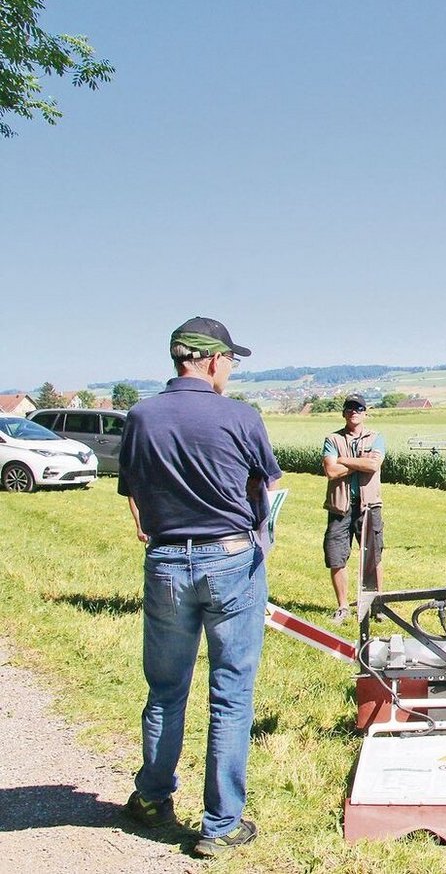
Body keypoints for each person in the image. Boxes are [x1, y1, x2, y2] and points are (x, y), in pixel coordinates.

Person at [116, 316, 281, 858]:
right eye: (231, 360)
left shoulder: (140, 417)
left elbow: (134, 496)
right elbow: (266, 487)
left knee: (165, 689)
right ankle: (220, 825)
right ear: (211, 360)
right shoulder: (241, 416)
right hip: (231, 561)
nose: (230, 370)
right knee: (230, 693)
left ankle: (153, 799)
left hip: (165, 561)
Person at [322, 393, 386, 624]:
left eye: (358, 408)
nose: (354, 412)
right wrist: (359, 462)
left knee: (373, 556)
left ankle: (377, 604)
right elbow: (331, 471)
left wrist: (343, 460)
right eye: (349, 408)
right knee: (336, 557)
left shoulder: (376, 437)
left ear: (365, 413)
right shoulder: (332, 439)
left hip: (370, 506)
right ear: (343, 413)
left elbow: (373, 464)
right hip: (340, 507)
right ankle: (342, 607)